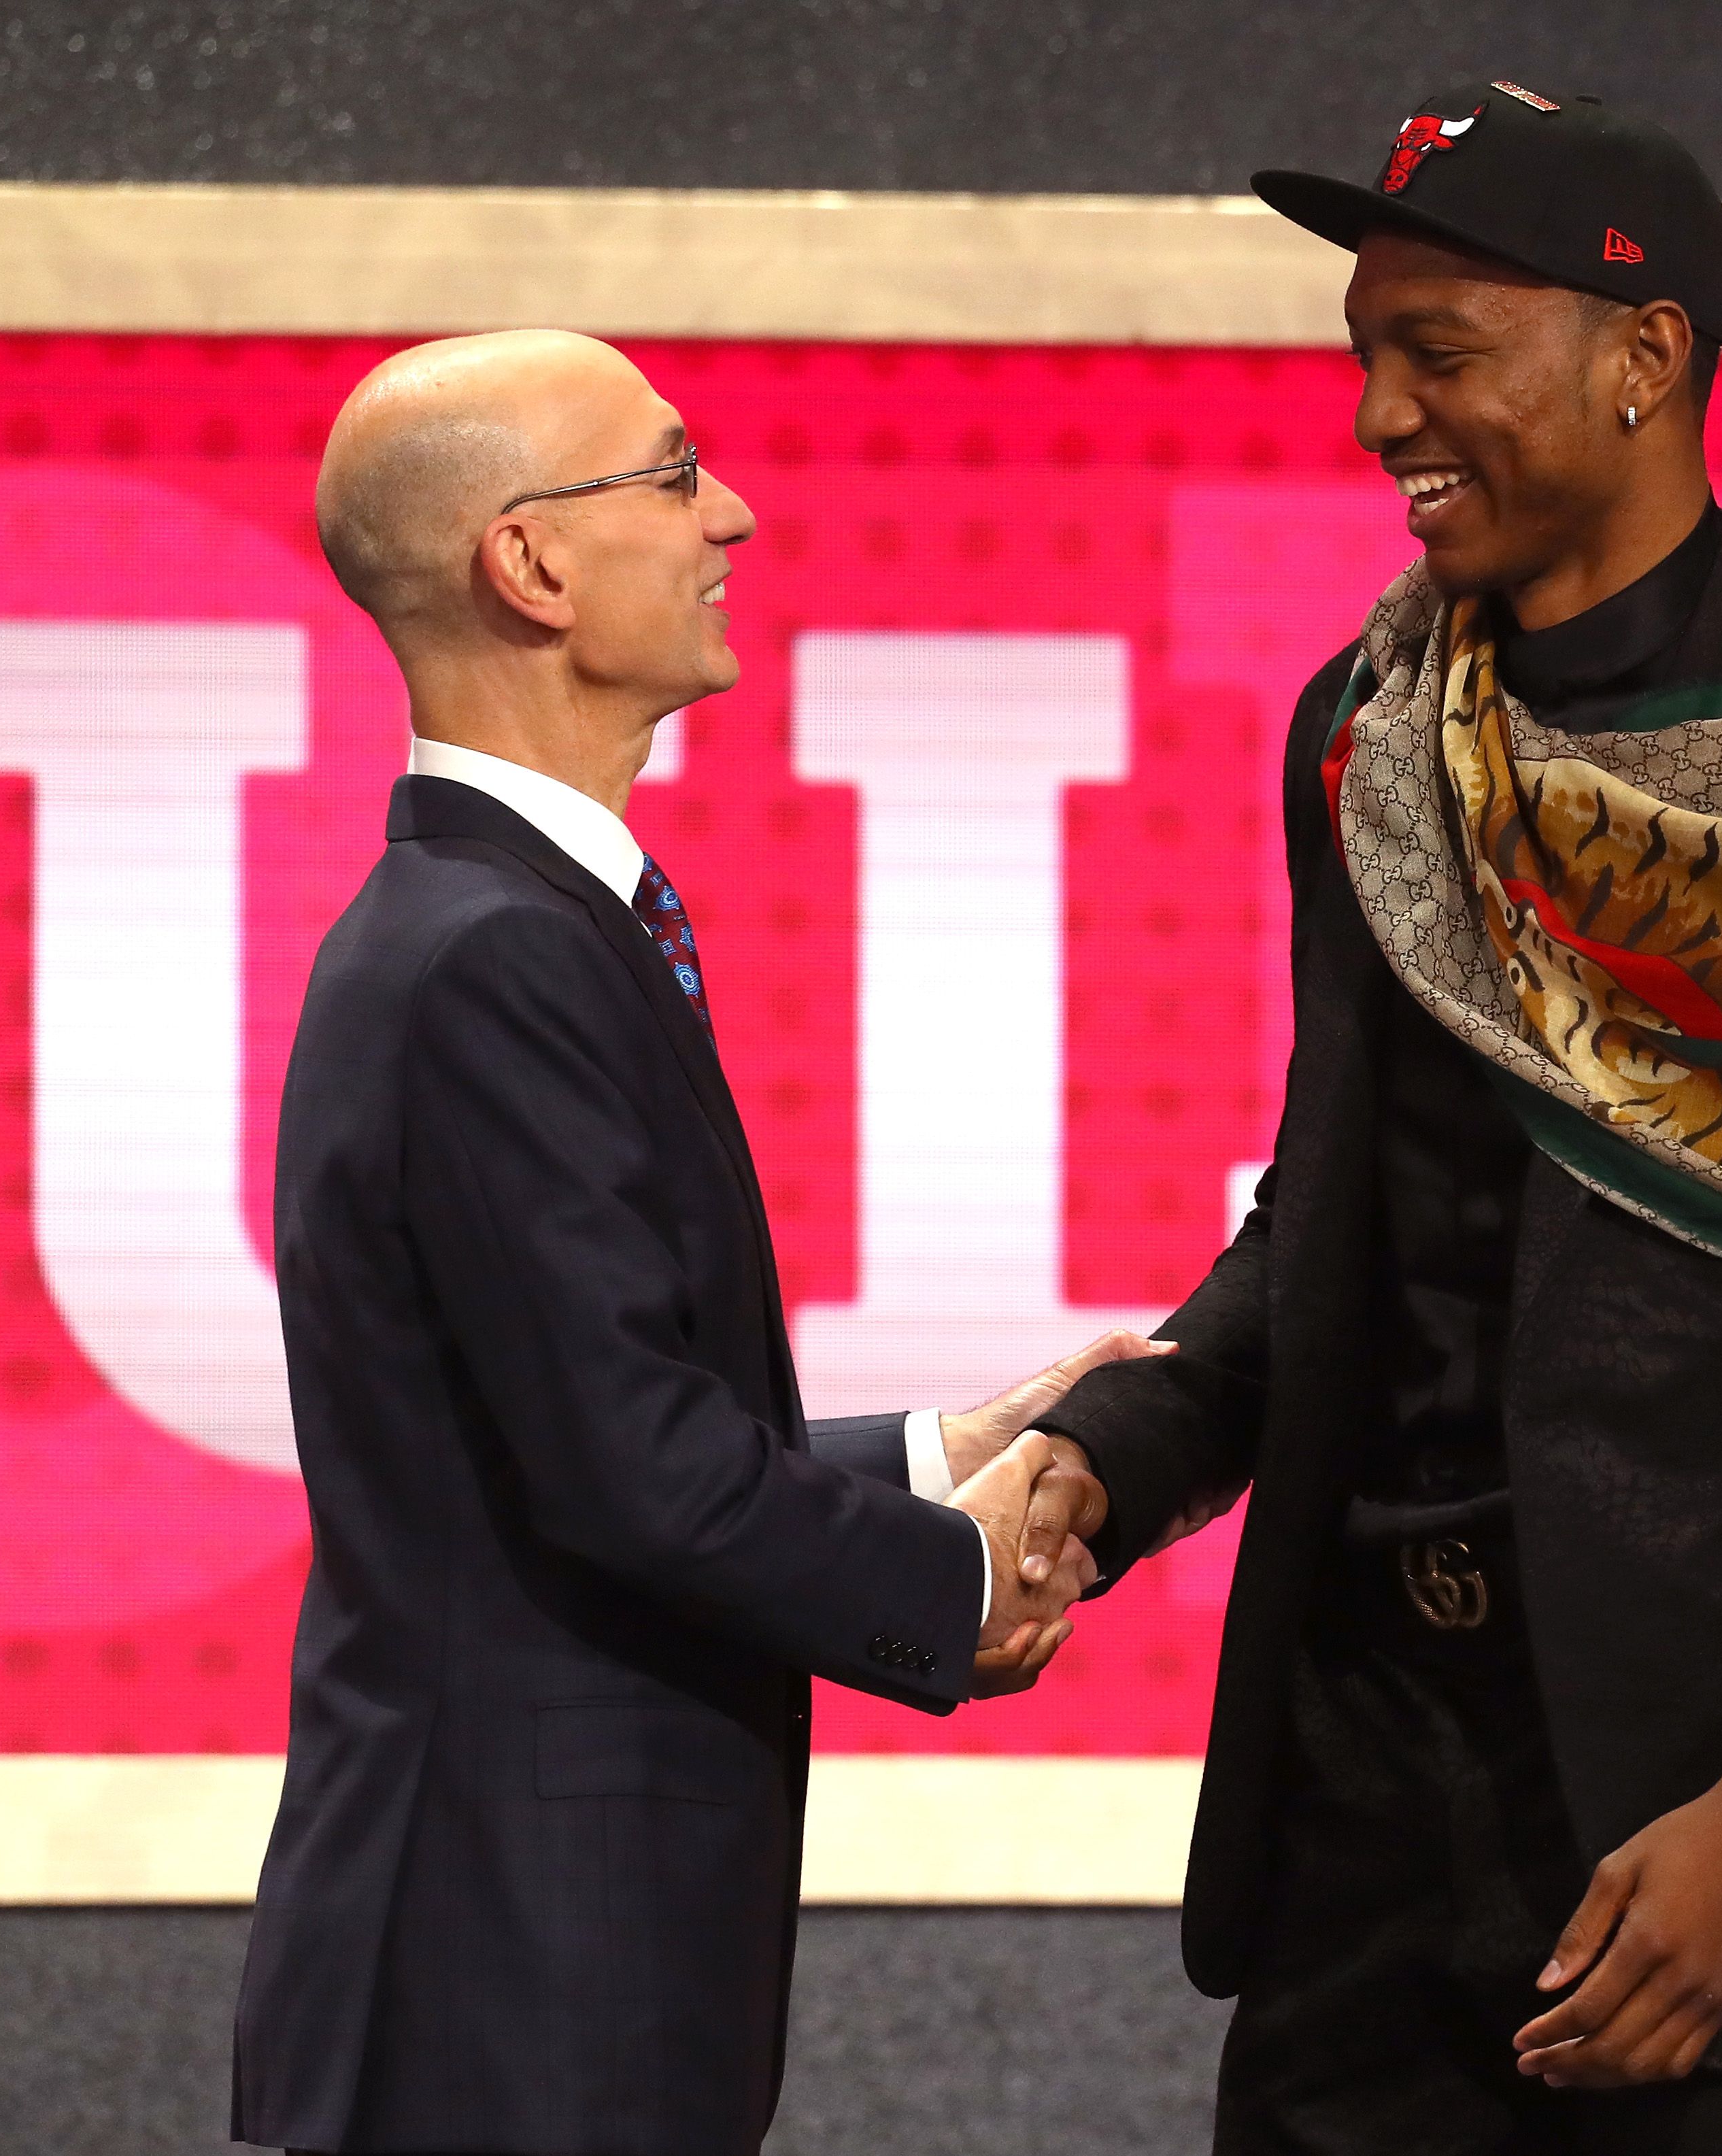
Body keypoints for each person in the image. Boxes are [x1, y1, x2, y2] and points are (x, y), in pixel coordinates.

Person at [1030, 86, 1722, 2154]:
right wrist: (1102, 1463)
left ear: (1644, 358)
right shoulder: (1372, 735)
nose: (1379, 416)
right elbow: (1330, 1223)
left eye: (1438, 354)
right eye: (1363, 356)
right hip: (1368, 1823)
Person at [231, 330, 1128, 2156]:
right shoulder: (493, 954)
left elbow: (562, 1433)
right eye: (671, 470)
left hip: (544, 1966)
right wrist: (954, 1582)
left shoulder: (511, 925)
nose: (732, 511)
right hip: (509, 1987)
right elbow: (632, 1472)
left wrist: (941, 1451)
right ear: (532, 563)